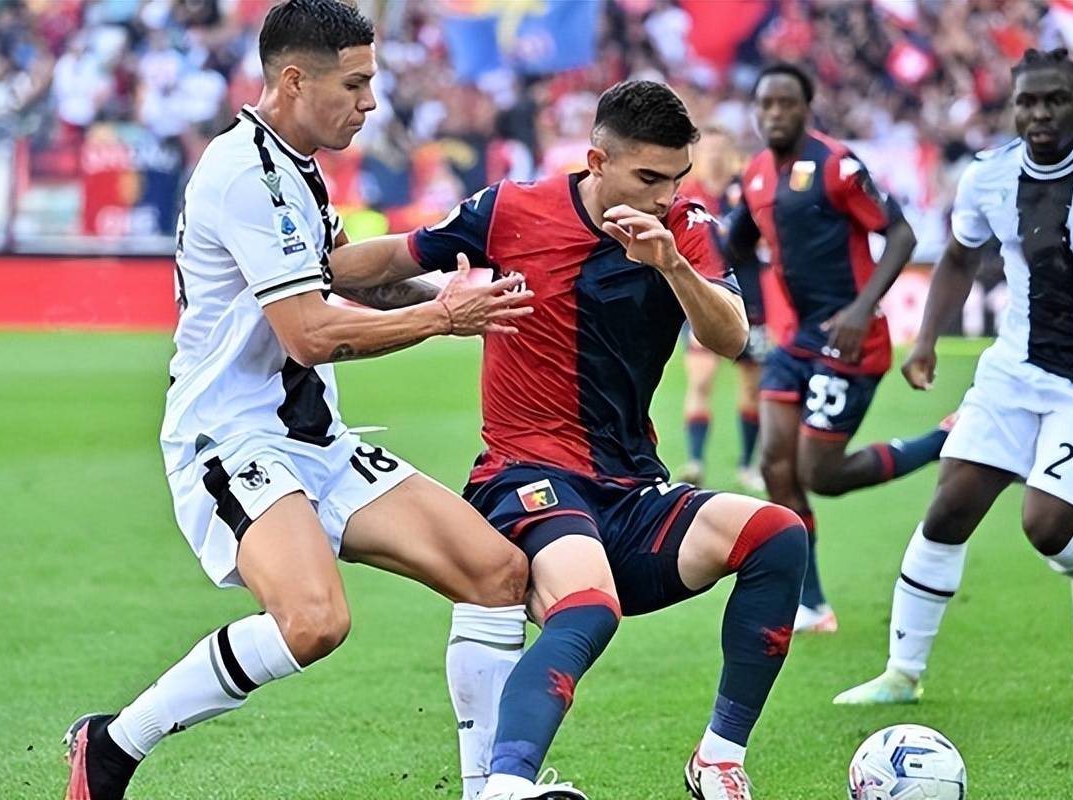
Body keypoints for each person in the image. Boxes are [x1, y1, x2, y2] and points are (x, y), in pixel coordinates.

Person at [62, 3, 538, 798]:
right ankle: (112, 746)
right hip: (231, 439)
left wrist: (453, 283)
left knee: (496, 573)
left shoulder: (293, 162)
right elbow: (310, 334)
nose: (370, 103)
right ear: (293, 80)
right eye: (355, 84)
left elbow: (346, 272)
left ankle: (487, 789)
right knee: (313, 623)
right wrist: (442, 318)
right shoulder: (244, 172)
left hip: (315, 438)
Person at [333, 80, 810, 800]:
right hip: (524, 476)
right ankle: (507, 786)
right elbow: (385, 266)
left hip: (629, 489)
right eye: (648, 178)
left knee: (778, 535)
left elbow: (732, 337)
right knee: (588, 606)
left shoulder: (684, 229)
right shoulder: (511, 209)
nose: (664, 196)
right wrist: (311, 262)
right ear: (597, 161)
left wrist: (671, 265)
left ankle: (717, 759)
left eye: (676, 178)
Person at [834, 49, 1073, 706]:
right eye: (1027, 101)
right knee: (950, 505)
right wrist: (927, 340)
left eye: (1054, 100)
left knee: (1046, 525)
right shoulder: (988, 176)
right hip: (1012, 369)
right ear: (1013, 107)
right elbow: (958, 258)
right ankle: (902, 672)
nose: (1040, 113)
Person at [732, 63, 951, 633]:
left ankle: (946, 441)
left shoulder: (837, 165)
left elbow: (901, 234)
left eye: (785, 103)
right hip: (796, 340)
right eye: (765, 104)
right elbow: (736, 242)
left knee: (821, 473)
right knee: (775, 465)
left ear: (807, 109)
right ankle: (810, 602)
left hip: (850, 338)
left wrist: (860, 309)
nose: (774, 114)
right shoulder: (755, 174)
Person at [676, 127, 770, 495]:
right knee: (700, 379)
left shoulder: (747, 191)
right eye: (708, 149)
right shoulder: (686, 194)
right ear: (698, 154)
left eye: (720, 148)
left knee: (751, 383)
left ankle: (747, 465)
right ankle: (696, 462)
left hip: (749, 298)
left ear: (730, 151)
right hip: (701, 298)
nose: (714, 155)